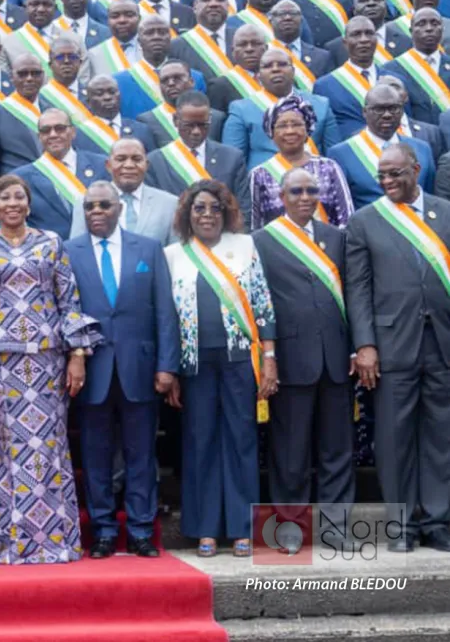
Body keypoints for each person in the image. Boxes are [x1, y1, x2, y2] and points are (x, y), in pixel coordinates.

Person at [0, 174, 100, 564]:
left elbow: (69, 302)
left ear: (28, 204)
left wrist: (77, 356)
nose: (12, 203)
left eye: (19, 197)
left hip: (48, 361)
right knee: (14, 448)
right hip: (3, 365)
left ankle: (60, 542)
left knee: (50, 448)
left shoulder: (51, 243)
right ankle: (18, 544)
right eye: (5, 198)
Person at [346, 143, 450, 551]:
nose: (388, 181)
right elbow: (358, 290)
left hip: (442, 342)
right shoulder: (365, 221)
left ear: (416, 169)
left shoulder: (445, 212)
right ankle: (403, 525)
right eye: (382, 176)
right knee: (394, 438)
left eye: (395, 174)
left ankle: (438, 521)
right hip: (390, 346)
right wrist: (365, 345)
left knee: (441, 436)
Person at [67, 181, 179, 557]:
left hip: (141, 369)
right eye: (89, 206)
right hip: (91, 372)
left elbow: (165, 311)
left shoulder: (147, 248)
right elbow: (65, 313)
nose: (96, 212)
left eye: (103, 205)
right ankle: (101, 530)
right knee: (96, 455)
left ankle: (141, 530)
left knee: (140, 454)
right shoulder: (69, 252)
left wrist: (167, 365)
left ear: (118, 208)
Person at [165, 179, 276, 557]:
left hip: (239, 360)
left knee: (241, 440)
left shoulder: (245, 246)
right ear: (187, 215)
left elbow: (262, 304)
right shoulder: (174, 254)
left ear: (226, 211)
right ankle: (206, 529)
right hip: (194, 365)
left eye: (214, 208)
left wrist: (270, 359)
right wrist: (172, 371)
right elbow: (168, 318)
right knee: (200, 442)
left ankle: (242, 528)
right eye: (199, 208)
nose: (207, 215)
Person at [252, 168, 354, 512]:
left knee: (337, 448)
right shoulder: (262, 240)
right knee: (291, 450)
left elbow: (352, 296)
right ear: (282, 198)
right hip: (291, 358)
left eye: (311, 190)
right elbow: (260, 302)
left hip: (337, 358)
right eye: (296, 191)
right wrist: (269, 355)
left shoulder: (336, 237)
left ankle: (335, 526)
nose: (305, 197)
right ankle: (290, 524)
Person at [222, 48, 339, 168]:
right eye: (267, 66)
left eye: (282, 64)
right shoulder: (241, 109)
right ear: (258, 76)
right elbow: (233, 161)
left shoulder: (321, 105)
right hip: (265, 180)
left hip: (314, 180)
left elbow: (334, 155)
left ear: (293, 71)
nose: (275, 69)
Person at [250, 96, 354, 229]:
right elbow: (255, 227)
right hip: (277, 247)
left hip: (326, 247)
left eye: (297, 124)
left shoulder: (329, 167)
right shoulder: (259, 174)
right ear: (271, 132)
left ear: (307, 129)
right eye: (282, 126)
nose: (290, 131)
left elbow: (347, 219)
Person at [146, 91, 251, 221]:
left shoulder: (232, 157)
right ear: (175, 120)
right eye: (189, 125)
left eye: (203, 125)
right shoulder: (156, 161)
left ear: (210, 119)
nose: (196, 131)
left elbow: (244, 209)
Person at [328, 83, 435, 210]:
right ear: (365, 112)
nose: (387, 115)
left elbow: (429, 198)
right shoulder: (341, 153)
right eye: (379, 109)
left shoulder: (422, 149)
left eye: (393, 108)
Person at [12, 106, 111, 238]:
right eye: (46, 131)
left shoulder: (101, 165)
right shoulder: (21, 178)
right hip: (49, 253)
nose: (53, 134)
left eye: (60, 128)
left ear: (73, 132)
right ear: (39, 137)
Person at [71, 137, 179, 245]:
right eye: (121, 159)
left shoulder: (170, 204)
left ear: (147, 165)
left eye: (136, 159)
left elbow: (175, 253)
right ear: (108, 165)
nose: (129, 165)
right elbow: (77, 250)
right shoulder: (86, 202)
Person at [0, 54, 48, 174]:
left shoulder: (51, 110)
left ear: (43, 76)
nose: (29, 78)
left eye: (35, 73)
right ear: (11, 77)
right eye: (22, 74)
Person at [381, 7, 450, 125]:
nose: (429, 28)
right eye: (421, 24)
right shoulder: (390, 69)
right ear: (411, 31)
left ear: (442, 29)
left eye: (434, 23)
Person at [169, 0, 233, 82]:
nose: (213, 4)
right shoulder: (177, 46)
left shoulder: (242, 39)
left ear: (228, 6)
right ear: (195, 7)